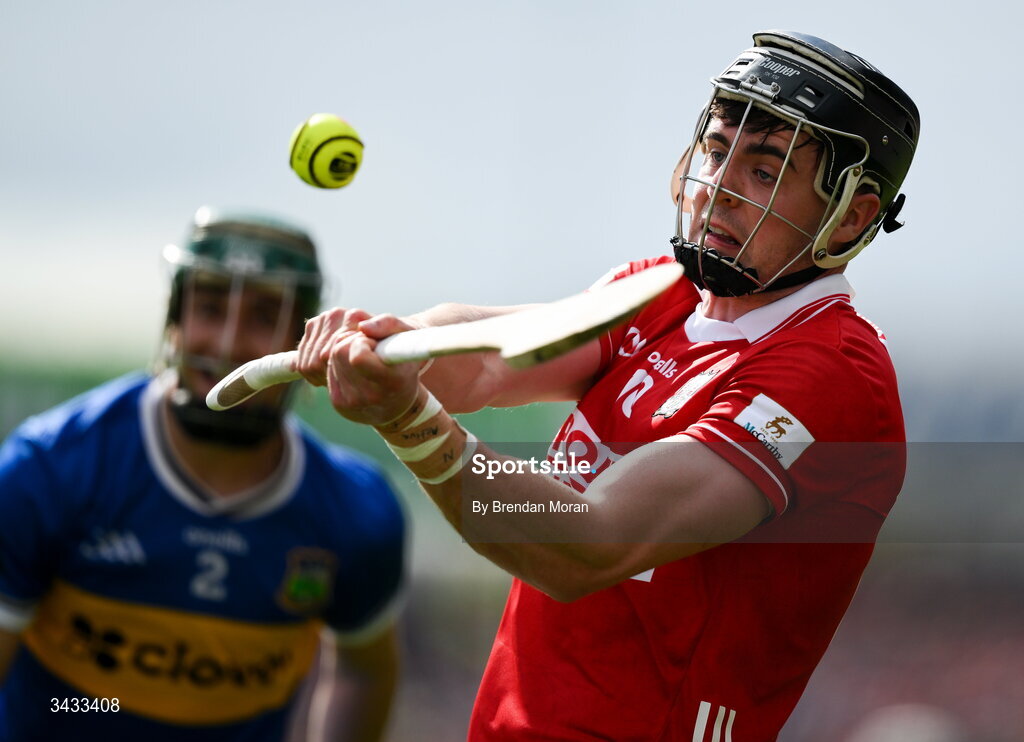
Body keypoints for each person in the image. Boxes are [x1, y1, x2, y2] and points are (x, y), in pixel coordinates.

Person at [294, 30, 918, 741]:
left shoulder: (831, 375)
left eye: (764, 170)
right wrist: (392, 348)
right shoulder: (664, 292)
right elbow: (489, 358)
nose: (718, 188)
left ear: (855, 214)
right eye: (718, 151)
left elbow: (588, 544)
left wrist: (411, 422)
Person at [0, 208, 406, 741]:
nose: (229, 344)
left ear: (305, 341)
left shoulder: (358, 512)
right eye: (210, 309)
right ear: (174, 319)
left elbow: (364, 668)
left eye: (264, 317)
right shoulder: (48, 470)